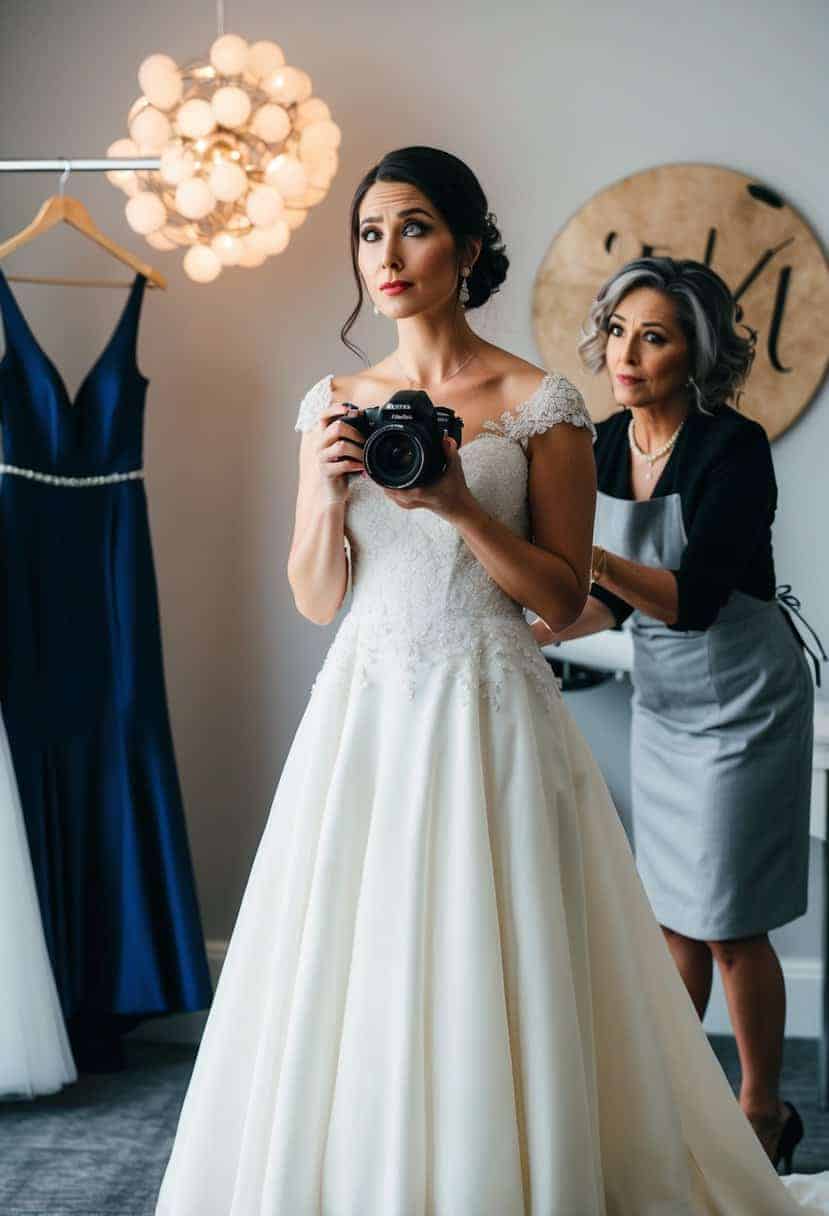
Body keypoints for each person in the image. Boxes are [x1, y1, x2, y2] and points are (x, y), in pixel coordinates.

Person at [156, 151, 829, 1214]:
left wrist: (461, 506)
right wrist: (330, 498)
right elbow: (315, 598)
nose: (387, 255)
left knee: (499, 959)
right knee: (353, 956)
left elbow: (561, 599)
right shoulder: (332, 400)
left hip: (489, 709)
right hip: (366, 715)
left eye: (413, 228)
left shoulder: (544, 403)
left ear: (468, 251)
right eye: (370, 233)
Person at [533, 255, 815, 1170]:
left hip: (743, 697)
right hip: (666, 700)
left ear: (693, 351)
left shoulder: (733, 449)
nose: (626, 353)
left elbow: (689, 600)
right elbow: (601, 611)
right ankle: (673, 1106)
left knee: (730, 921)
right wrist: (523, 628)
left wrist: (580, 560)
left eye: (652, 336)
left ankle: (760, 1110)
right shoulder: (606, 447)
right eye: (617, 331)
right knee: (673, 917)